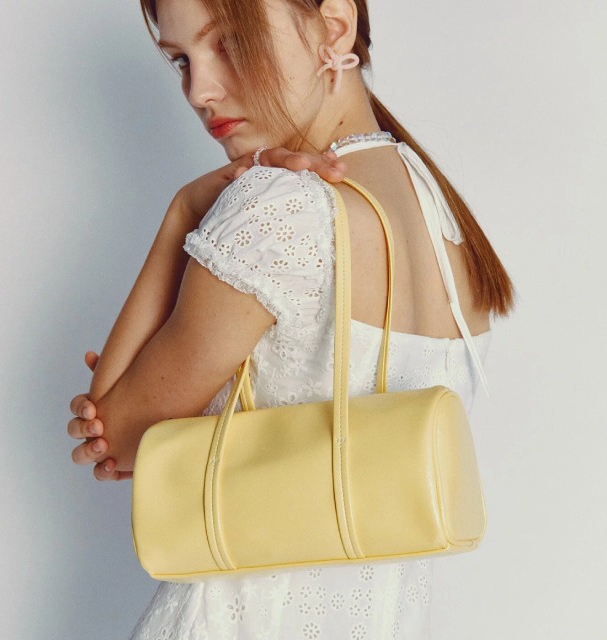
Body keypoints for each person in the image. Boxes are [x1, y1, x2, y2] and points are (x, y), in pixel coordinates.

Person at [67, 0, 515, 637]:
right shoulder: (436, 209)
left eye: (229, 43)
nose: (200, 91)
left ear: (334, 27)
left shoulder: (279, 205)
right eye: (181, 61)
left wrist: (183, 212)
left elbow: (113, 436)